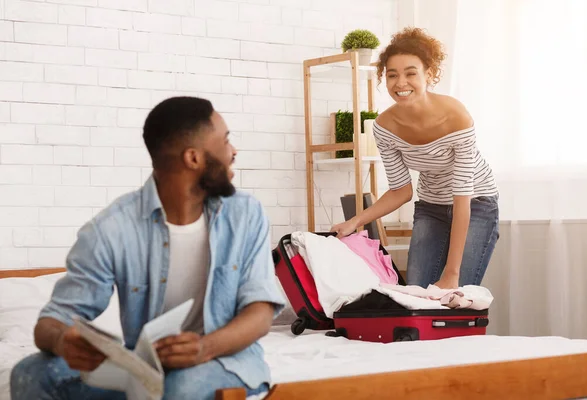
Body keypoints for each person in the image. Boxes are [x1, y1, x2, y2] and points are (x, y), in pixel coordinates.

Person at [10, 96, 286, 400]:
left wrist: (204, 348)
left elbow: (260, 313)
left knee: (179, 387)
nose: (233, 151)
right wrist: (63, 341)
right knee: (30, 373)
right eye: (225, 141)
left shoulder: (246, 214)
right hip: (145, 368)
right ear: (193, 159)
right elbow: (51, 322)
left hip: (225, 361)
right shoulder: (111, 229)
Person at [331, 27, 499, 290]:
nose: (401, 83)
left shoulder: (457, 118)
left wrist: (452, 274)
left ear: (428, 74)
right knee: (417, 292)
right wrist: (356, 221)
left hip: (475, 203)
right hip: (431, 205)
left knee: (457, 294)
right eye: (392, 75)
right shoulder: (385, 127)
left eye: (411, 73)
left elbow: (462, 196)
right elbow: (401, 191)